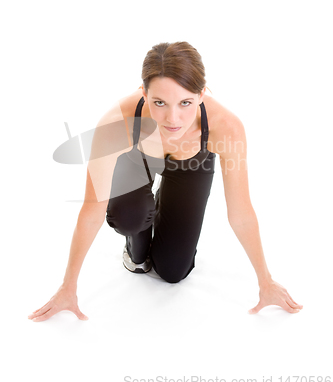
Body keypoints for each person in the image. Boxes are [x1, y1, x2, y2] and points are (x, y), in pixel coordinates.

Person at [28, 41, 303, 322]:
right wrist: (68, 287)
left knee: (173, 271)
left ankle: (162, 204)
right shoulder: (117, 125)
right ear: (144, 93)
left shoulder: (225, 128)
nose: (173, 119)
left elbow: (241, 214)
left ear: (201, 94)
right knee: (131, 219)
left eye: (185, 103)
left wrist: (265, 281)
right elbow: (90, 212)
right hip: (137, 158)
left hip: (190, 165)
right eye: (160, 102)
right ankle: (137, 236)